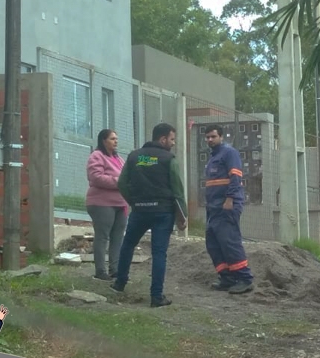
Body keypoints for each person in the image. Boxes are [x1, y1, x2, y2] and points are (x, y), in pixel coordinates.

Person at [110, 123, 187, 307]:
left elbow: (122, 183)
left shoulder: (134, 156)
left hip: (140, 210)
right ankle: (156, 296)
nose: (173, 143)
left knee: (128, 245)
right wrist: (182, 216)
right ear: (162, 139)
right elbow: (178, 191)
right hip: (163, 212)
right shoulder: (169, 159)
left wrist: (133, 201)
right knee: (159, 252)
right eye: (172, 139)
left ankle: (120, 283)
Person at [203, 124, 254, 294]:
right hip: (213, 208)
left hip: (226, 206)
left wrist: (230, 199)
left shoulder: (229, 153)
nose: (210, 140)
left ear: (221, 137)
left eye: (213, 136)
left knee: (229, 241)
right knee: (213, 243)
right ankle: (227, 277)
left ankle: (245, 279)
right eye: (208, 137)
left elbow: (236, 177)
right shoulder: (212, 158)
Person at [85, 129, 129, 282]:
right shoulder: (97, 156)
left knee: (118, 237)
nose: (115, 141)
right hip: (101, 203)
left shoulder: (120, 159)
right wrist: (119, 181)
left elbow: (127, 176)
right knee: (102, 236)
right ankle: (100, 270)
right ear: (103, 140)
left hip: (121, 204)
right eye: (112, 139)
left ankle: (115, 270)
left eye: (116, 138)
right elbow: (95, 177)